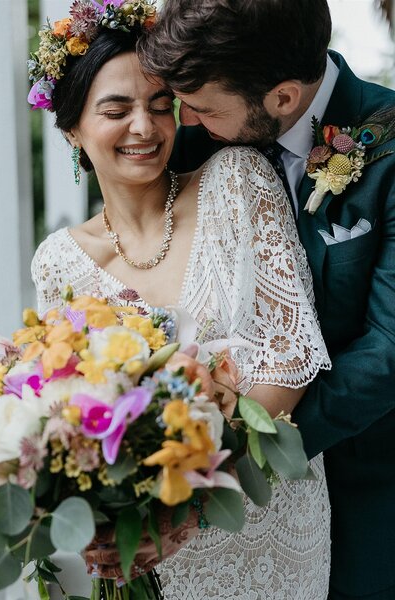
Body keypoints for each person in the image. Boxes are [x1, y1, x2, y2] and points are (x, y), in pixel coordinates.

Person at [29, 1, 331, 598]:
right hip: (149, 548)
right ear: (71, 128)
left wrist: (184, 503)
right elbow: (70, 413)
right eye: (117, 110)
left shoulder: (239, 182)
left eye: (161, 106)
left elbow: (290, 362)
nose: (145, 127)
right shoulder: (57, 262)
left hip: (266, 526)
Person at [137, 0, 395, 598]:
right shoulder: (201, 139)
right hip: (225, 526)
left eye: (202, 109)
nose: (189, 125)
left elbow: (388, 350)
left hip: (365, 486)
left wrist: (233, 450)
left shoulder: (388, 144)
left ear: (282, 98)